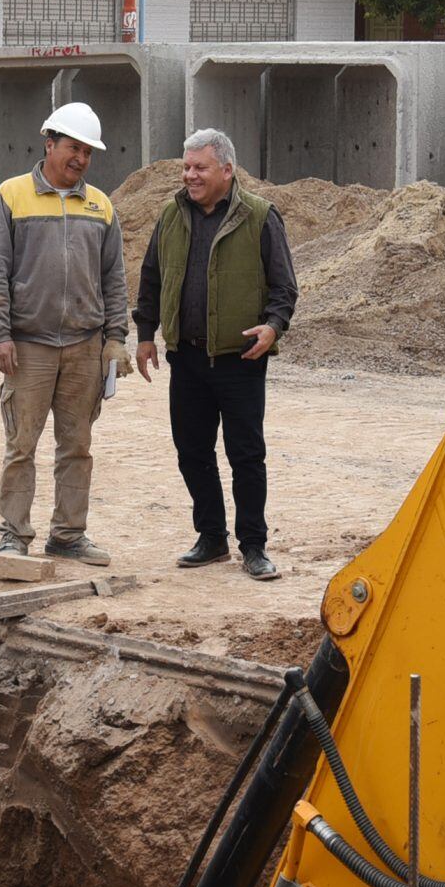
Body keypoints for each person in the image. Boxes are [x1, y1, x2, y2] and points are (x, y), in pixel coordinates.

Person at [135, 129, 297, 581]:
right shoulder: (170, 216)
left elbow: (284, 288)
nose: (190, 175)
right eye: (186, 167)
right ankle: (211, 538)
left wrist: (273, 326)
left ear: (227, 170)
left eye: (199, 167)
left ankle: (254, 546)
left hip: (239, 360)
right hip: (185, 359)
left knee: (246, 455)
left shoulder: (261, 217)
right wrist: (146, 333)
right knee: (192, 452)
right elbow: (150, 277)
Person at [0, 101, 126, 565]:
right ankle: (13, 535)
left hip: (84, 347)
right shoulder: (10, 197)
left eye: (87, 151)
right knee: (22, 445)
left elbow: (114, 278)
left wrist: (115, 339)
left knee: (77, 446)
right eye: (72, 148)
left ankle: (68, 534)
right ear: (50, 144)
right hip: (28, 347)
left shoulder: (101, 206)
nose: (79, 159)